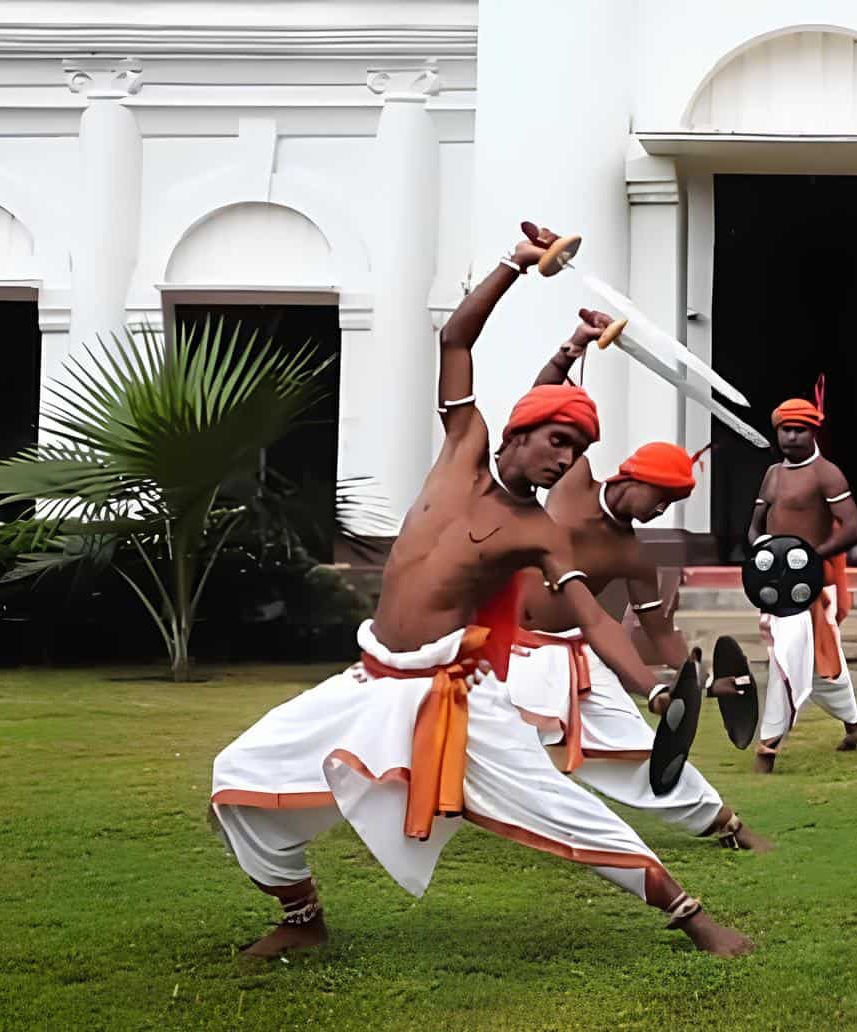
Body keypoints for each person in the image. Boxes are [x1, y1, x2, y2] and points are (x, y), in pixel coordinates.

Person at [208, 224, 752, 959]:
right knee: (239, 777)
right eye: (558, 441)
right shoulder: (463, 445)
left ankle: (694, 919)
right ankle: (302, 922)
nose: (567, 459)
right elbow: (456, 341)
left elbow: (593, 615)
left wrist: (651, 688)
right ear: (519, 433)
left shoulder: (539, 533)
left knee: (565, 813)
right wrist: (514, 266)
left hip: (456, 696)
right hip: (369, 680)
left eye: (580, 450)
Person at [493, 312, 771, 851]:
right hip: (497, 643)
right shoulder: (570, 480)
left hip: (573, 650)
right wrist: (572, 347)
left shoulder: (634, 555)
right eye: (661, 497)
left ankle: (724, 823)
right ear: (631, 477)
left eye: (673, 503)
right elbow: (540, 408)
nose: (662, 510)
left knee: (639, 748)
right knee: (452, 732)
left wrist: (694, 681)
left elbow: (658, 630)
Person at [746, 393, 857, 772]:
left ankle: (767, 747)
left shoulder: (826, 473)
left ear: (813, 431)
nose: (791, 437)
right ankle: (855, 729)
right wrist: (764, 556)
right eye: (785, 430)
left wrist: (809, 559)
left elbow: (852, 529)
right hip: (776, 587)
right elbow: (755, 527)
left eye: (799, 430)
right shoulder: (772, 475)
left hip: (812, 589)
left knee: (786, 657)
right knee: (821, 664)